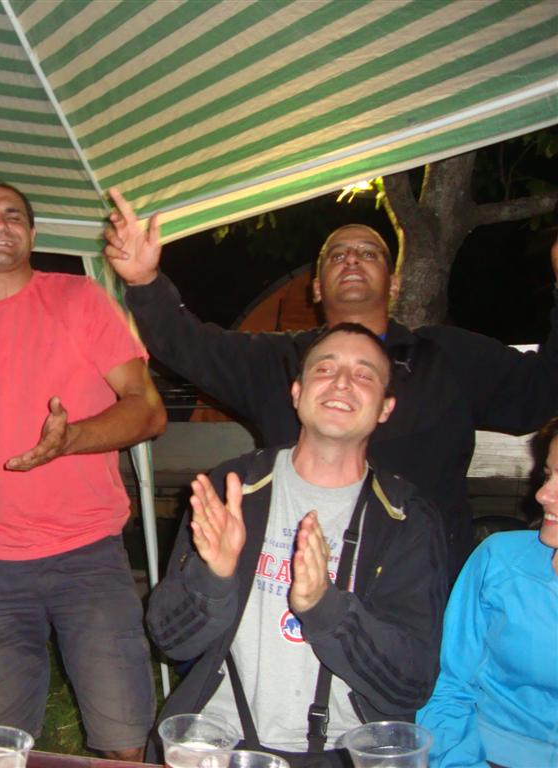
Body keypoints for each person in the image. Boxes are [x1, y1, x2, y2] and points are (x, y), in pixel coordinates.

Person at [104, 189, 558, 580]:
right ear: (317, 288)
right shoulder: (278, 361)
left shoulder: (449, 357)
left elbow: (541, 392)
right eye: (337, 256)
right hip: (300, 575)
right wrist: (144, 282)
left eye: (369, 253)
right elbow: (190, 346)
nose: (352, 259)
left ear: (394, 283)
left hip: (421, 586)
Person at [0, 182, 167, 760]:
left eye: (13, 215)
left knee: (125, 743)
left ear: (31, 234)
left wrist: (70, 438)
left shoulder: (81, 299)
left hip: (90, 553)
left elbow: (149, 411)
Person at [146, 323, 448, 764]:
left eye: (363, 374)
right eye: (325, 368)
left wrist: (325, 608)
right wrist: (213, 578)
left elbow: (410, 682)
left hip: (345, 753)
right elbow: (170, 640)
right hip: (218, 743)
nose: (341, 382)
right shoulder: (235, 487)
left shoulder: (405, 519)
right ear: (296, 392)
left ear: (385, 408)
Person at [417, 416, 558, 767]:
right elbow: (448, 684)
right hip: (488, 756)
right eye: (548, 475)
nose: (542, 494)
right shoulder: (500, 559)